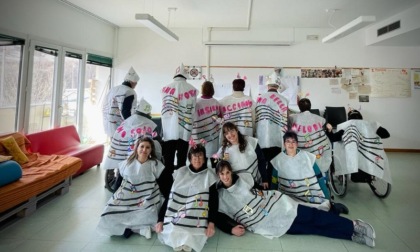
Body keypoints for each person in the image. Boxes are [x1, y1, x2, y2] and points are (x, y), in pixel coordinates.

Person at [213, 160, 376, 248]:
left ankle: (354, 226)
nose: (226, 176)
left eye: (228, 172)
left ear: (231, 172)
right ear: (218, 175)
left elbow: (258, 190)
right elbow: (217, 218)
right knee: (313, 229)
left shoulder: (245, 179)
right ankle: (352, 236)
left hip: (277, 205)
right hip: (267, 223)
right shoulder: (221, 197)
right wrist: (230, 229)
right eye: (222, 174)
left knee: (314, 217)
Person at [97, 137, 172, 239]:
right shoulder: (126, 164)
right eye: (142, 147)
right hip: (126, 196)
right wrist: (114, 199)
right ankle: (136, 228)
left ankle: (135, 229)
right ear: (137, 148)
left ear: (151, 150)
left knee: (149, 214)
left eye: (147, 147)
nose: (144, 150)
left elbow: (165, 187)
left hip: (147, 197)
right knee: (108, 213)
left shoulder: (155, 165)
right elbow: (118, 184)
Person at [156, 143, 218, 252]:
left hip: (196, 215)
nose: (197, 159)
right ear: (190, 158)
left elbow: (213, 201)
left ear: (204, 158)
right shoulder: (180, 172)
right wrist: (160, 219)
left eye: (200, 156)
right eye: (194, 156)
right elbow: (170, 198)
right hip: (177, 214)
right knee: (173, 229)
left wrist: (211, 223)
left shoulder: (210, 175)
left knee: (190, 235)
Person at [103, 98, 162, 191]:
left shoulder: (127, 121)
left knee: (123, 173)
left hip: (120, 153)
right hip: (137, 156)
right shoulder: (149, 123)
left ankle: (116, 194)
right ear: (147, 113)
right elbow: (156, 140)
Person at [271, 130, 331, 211]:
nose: (291, 144)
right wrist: (272, 197)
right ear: (284, 144)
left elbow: (319, 176)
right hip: (288, 196)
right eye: (288, 141)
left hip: (309, 196)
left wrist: (327, 196)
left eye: (293, 141)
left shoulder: (308, 157)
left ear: (297, 144)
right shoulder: (278, 160)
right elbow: (274, 181)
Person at [329, 109, 391, 184]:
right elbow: (386, 135)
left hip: (352, 160)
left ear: (348, 119)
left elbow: (332, 138)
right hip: (370, 157)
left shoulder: (346, 127)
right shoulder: (371, 125)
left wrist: (329, 131)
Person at [161, 64, 198, 173]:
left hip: (169, 129)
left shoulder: (164, 89)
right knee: (182, 161)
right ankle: (181, 182)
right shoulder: (193, 90)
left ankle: (167, 183)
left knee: (168, 160)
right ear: (185, 76)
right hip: (184, 129)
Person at [255, 73, 289, 188]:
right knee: (274, 165)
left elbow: (255, 118)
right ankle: (274, 187)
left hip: (262, 138)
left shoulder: (259, 98)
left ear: (267, 86)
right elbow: (287, 120)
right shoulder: (284, 100)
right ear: (277, 86)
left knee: (261, 163)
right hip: (277, 139)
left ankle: (264, 186)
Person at [216, 122, 269, 189]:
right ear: (225, 136)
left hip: (256, 183)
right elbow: (215, 163)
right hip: (239, 186)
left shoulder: (250, 141)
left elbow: (261, 160)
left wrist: (265, 179)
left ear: (236, 130)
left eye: (232, 131)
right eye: (227, 133)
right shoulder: (223, 150)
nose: (230, 134)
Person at [288, 98, 332, 173]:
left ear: (299, 107)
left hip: (301, 151)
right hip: (317, 153)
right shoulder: (319, 118)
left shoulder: (293, 118)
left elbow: (292, 132)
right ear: (310, 106)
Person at [191, 81, 223, 165]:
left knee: (200, 157)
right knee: (213, 157)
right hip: (212, 134)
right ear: (213, 90)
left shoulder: (196, 102)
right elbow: (220, 118)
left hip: (198, 134)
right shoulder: (216, 103)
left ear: (202, 89)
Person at [102, 66, 139, 138]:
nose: (135, 85)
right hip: (120, 125)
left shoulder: (113, 89)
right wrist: (130, 125)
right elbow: (126, 111)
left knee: (113, 145)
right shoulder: (129, 91)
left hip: (109, 123)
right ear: (133, 82)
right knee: (121, 146)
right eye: (136, 83)